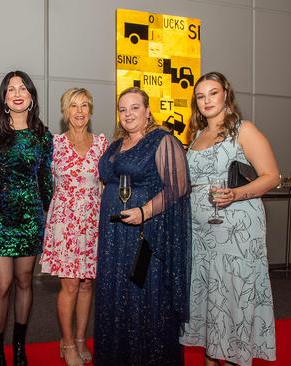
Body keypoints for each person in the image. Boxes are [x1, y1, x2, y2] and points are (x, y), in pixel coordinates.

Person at [179, 72, 279, 366]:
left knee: (234, 293)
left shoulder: (243, 130)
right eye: (201, 96)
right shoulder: (196, 135)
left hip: (236, 227)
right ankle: (213, 356)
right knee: (212, 294)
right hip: (201, 231)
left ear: (226, 95)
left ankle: (236, 356)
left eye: (213, 93)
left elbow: (272, 177)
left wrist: (235, 194)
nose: (207, 100)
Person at [94, 87, 191, 365]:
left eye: (135, 108)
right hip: (113, 235)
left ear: (147, 111)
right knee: (116, 296)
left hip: (143, 233)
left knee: (142, 296)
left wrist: (144, 211)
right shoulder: (115, 145)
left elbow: (178, 187)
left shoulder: (162, 141)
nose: (128, 114)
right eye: (123, 109)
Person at [0, 70, 53, 366]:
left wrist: (51, 214)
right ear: (4, 99)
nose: (17, 92)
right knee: (1, 285)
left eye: (23, 87)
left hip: (30, 219)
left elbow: (46, 179)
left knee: (25, 282)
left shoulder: (42, 135)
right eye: (10, 89)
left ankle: (19, 347)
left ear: (32, 97)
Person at [40, 88, 108, 366]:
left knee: (87, 285)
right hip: (65, 223)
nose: (79, 111)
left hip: (93, 221)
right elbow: (42, 183)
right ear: (64, 111)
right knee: (69, 286)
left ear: (90, 111)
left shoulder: (102, 144)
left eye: (84, 106)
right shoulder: (54, 144)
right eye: (73, 106)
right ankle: (67, 342)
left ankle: (81, 339)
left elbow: (108, 184)